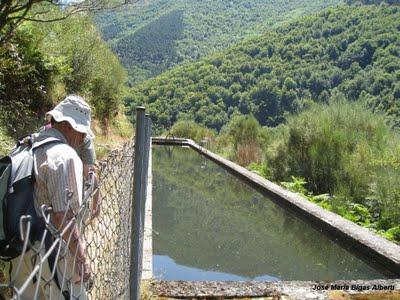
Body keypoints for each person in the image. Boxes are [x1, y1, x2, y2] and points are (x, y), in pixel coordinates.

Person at [11, 95, 95, 299]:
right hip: (52, 253)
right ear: (67, 125)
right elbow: (63, 218)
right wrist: (82, 261)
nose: (83, 139)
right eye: (81, 132)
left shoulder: (26, 145)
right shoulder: (64, 156)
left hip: (20, 251)